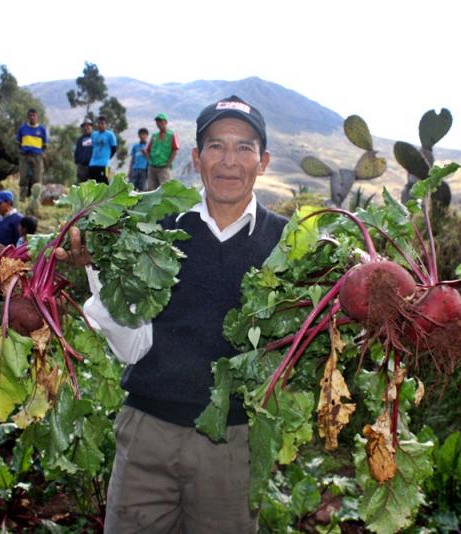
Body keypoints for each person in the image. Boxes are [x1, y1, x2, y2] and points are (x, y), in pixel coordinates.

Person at [66, 95, 285, 533]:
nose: (229, 160)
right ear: (196, 158)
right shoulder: (155, 228)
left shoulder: (288, 243)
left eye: (243, 147)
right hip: (148, 435)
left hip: (234, 444)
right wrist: (97, 267)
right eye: (216, 146)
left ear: (262, 162)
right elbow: (131, 347)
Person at [17, 108, 48, 200]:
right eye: (30, 115)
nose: (32, 117)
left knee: (37, 177)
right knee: (23, 176)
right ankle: (22, 197)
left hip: (37, 156)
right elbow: (18, 143)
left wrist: (40, 152)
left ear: (37, 117)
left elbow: (45, 145)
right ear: (28, 117)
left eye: (34, 115)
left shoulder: (42, 129)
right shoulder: (22, 128)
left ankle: (35, 198)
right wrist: (24, 150)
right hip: (24, 156)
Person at [144, 112, 179, 190]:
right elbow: (147, 150)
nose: (159, 123)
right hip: (152, 167)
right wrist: (149, 161)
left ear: (166, 122)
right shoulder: (154, 135)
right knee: (151, 190)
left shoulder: (171, 135)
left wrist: (168, 164)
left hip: (163, 168)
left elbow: (175, 150)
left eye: (161, 121)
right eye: (157, 122)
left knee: (165, 190)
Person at [88, 116, 117, 183]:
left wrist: (107, 158)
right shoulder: (93, 134)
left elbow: (114, 149)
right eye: (99, 123)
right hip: (93, 164)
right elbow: (91, 147)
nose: (100, 125)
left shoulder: (110, 135)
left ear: (106, 124)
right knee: (92, 184)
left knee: (105, 183)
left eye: (102, 123)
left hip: (105, 164)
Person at [74, 118, 94, 183]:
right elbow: (77, 152)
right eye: (84, 126)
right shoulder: (80, 139)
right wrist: (78, 161)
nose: (86, 128)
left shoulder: (96, 137)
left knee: (94, 185)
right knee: (81, 185)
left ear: (91, 127)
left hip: (94, 166)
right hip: (82, 167)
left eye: (88, 126)